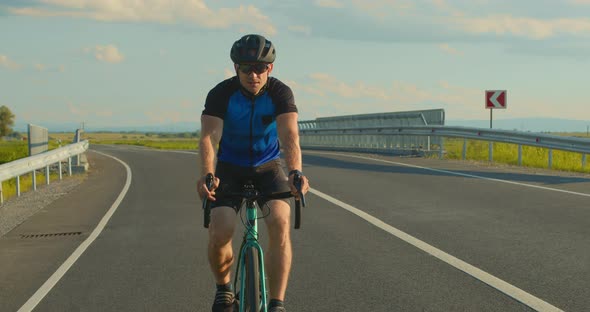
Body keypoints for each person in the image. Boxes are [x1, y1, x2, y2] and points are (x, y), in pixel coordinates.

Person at [197, 34, 309, 312]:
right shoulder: (221, 93)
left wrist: (295, 172)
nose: (253, 74)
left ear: (269, 69)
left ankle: (277, 302)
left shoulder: (280, 93)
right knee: (221, 228)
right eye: (246, 68)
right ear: (236, 68)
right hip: (229, 167)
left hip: (267, 167)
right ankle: (223, 289)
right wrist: (207, 174)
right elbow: (209, 138)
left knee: (281, 222)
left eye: (260, 68)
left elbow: (289, 135)